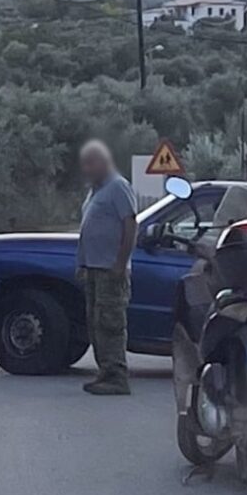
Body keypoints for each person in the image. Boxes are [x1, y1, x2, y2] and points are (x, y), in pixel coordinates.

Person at [76, 140, 138, 396]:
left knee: (110, 323)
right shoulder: (95, 191)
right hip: (93, 268)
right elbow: (88, 230)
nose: (86, 169)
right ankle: (105, 371)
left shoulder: (118, 187)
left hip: (110, 270)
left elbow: (130, 225)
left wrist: (120, 263)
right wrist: (82, 263)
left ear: (103, 162)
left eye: (90, 164)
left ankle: (117, 377)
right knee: (96, 324)